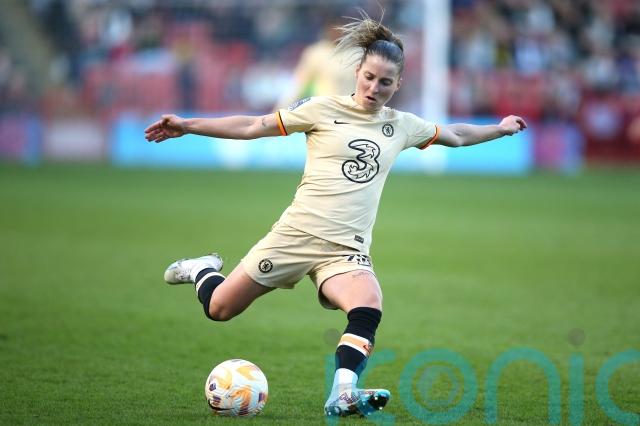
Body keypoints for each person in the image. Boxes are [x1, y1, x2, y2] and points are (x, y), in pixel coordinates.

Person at [144, 15, 526, 418]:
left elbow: (458, 135)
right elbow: (254, 125)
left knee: (368, 303)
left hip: (345, 250)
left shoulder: (401, 126)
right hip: (295, 236)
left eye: (385, 82)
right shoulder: (321, 109)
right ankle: (203, 269)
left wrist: (499, 129)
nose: (374, 88)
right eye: (369, 77)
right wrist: (188, 124)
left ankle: (343, 393)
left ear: (398, 84)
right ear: (357, 72)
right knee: (220, 309)